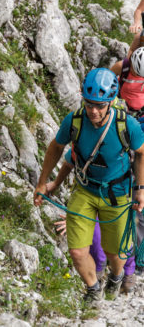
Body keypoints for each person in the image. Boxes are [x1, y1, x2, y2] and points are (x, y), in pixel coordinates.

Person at [34, 68, 144, 307]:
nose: (93, 111)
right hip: (85, 191)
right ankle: (94, 289)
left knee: (116, 254)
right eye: (89, 103)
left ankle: (116, 276)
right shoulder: (75, 120)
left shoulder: (128, 125)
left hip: (117, 195)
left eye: (100, 105)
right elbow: (57, 149)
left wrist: (140, 189)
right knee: (77, 251)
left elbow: (142, 153)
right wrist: (45, 183)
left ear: (111, 102)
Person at [47, 156, 138, 294]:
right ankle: (99, 272)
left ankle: (126, 272)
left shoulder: (129, 136)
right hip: (91, 190)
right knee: (98, 235)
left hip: (123, 187)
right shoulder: (82, 136)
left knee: (122, 234)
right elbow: (72, 158)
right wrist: (76, 217)